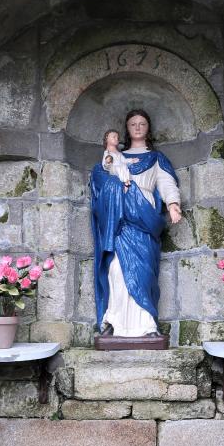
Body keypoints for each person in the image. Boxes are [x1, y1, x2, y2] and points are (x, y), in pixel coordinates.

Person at [91, 110, 182, 338]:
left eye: (142, 124)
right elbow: (101, 180)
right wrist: (111, 182)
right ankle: (114, 321)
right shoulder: (116, 157)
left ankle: (147, 324)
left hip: (144, 218)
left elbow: (166, 182)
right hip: (120, 219)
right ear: (127, 129)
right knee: (116, 269)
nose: (138, 127)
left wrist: (172, 204)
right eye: (133, 124)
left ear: (148, 128)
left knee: (144, 272)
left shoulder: (156, 158)